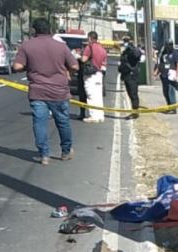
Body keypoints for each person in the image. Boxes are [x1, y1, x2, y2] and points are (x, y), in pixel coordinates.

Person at [13, 18, 79, 165]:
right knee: (63, 121)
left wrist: (29, 67)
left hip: (38, 91)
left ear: (34, 30)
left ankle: (44, 155)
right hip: (59, 91)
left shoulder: (27, 45)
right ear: (50, 30)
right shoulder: (61, 46)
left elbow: (17, 66)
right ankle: (66, 152)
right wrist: (65, 70)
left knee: (39, 123)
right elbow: (75, 66)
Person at [80, 31, 107, 123]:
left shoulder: (89, 47)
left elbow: (83, 59)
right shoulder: (102, 49)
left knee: (91, 95)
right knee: (98, 96)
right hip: (99, 74)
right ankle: (100, 116)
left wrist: (79, 56)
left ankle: (93, 116)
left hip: (90, 75)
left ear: (90, 38)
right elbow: (104, 64)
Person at [154, 39, 178, 112]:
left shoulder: (175, 53)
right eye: (168, 45)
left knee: (171, 92)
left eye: (170, 44)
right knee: (165, 92)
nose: (169, 46)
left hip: (172, 76)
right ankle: (169, 106)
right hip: (164, 75)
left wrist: (176, 75)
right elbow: (160, 64)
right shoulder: (163, 53)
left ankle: (173, 108)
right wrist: (156, 71)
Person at [118, 36, 142, 117]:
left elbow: (137, 55)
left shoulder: (133, 51)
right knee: (130, 94)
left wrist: (132, 48)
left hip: (132, 76)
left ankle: (135, 112)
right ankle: (134, 110)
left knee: (133, 94)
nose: (125, 42)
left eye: (127, 41)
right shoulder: (125, 52)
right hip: (126, 75)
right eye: (124, 41)